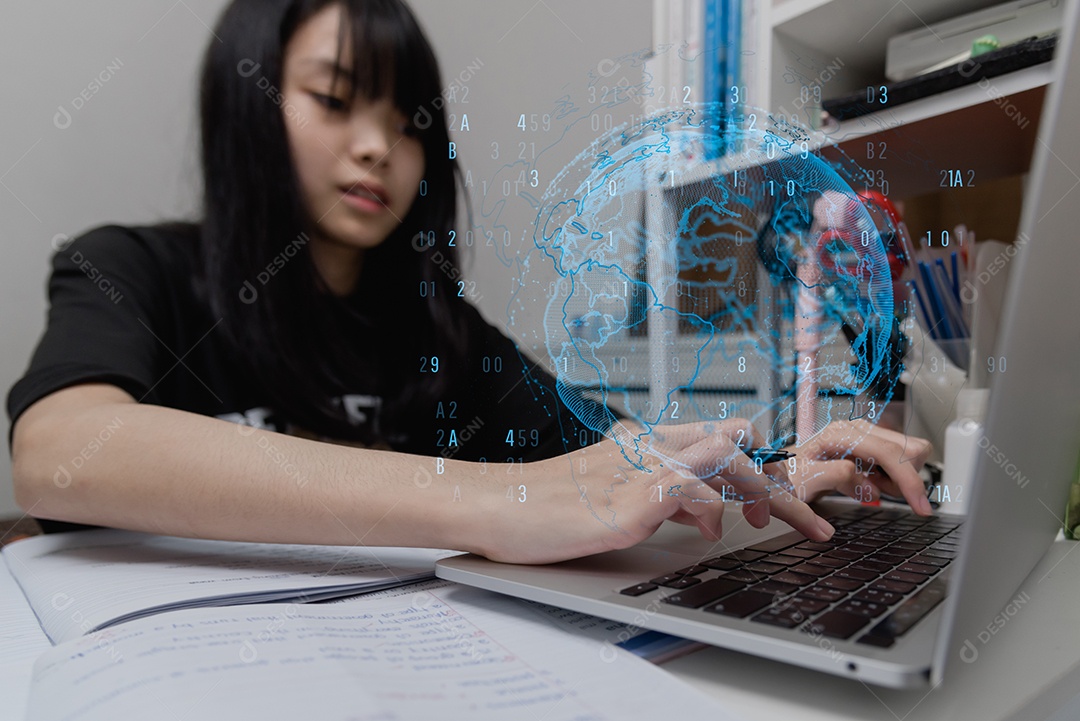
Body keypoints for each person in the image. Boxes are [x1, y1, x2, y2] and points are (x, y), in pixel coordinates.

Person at [7, 0, 932, 565]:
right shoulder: (133, 266)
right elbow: (59, 451)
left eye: (405, 121)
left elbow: (622, 461)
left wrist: (766, 476)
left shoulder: (440, 328)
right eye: (334, 99)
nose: (376, 144)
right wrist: (497, 502)